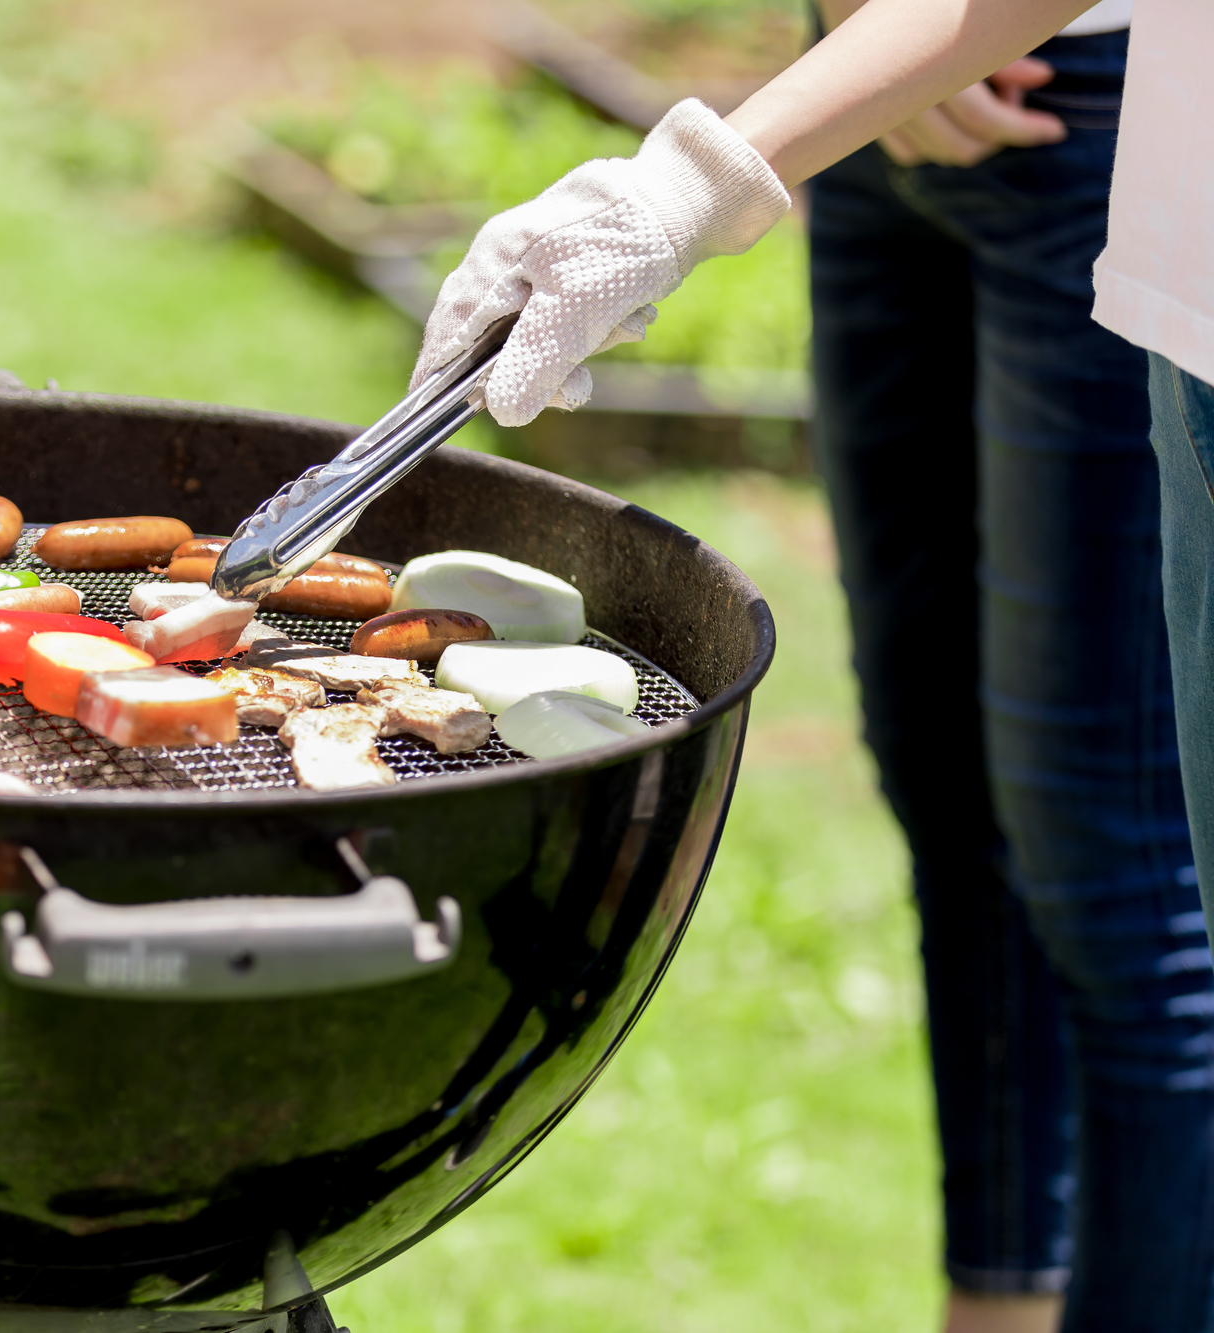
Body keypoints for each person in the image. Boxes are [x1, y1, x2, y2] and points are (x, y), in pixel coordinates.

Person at [412, 2, 1214, 1330]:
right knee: (946, 782)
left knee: (1114, 869)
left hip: (1089, 91)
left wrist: (696, 180)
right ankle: (997, 1303)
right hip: (877, 77)